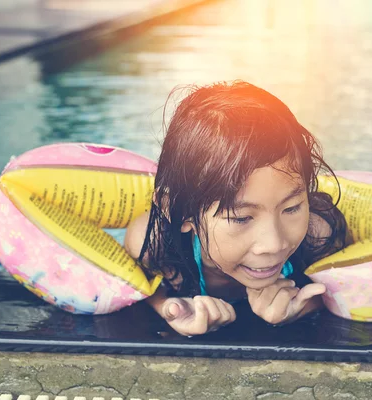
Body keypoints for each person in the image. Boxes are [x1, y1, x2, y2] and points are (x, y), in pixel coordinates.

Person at [124, 81, 348, 336]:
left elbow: (354, 291)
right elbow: (141, 286)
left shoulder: (318, 234)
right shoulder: (152, 244)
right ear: (179, 210)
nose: (274, 244)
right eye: (241, 218)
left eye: (292, 208)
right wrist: (168, 307)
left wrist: (305, 306)